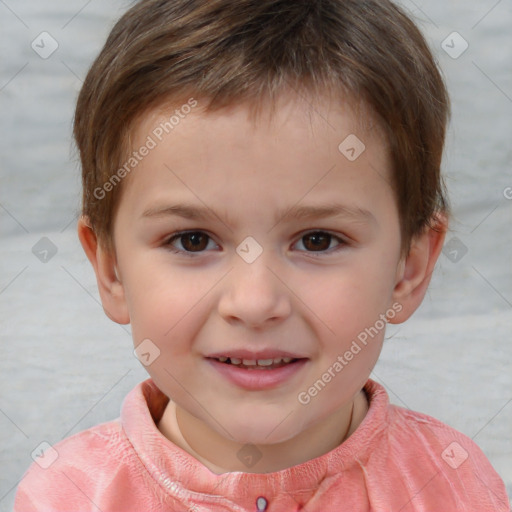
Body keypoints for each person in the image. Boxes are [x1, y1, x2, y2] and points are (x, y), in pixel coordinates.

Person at [14, 0, 509, 510]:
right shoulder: (65, 496)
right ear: (111, 270)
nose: (254, 303)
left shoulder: (456, 487)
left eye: (317, 240)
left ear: (409, 269)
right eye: (193, 240)